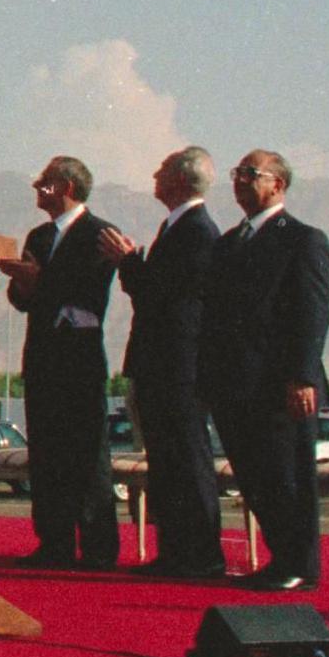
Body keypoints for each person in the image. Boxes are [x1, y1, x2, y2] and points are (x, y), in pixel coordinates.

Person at [202, 151, 329, 591]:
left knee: (287, 476)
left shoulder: (302, 239)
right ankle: (280, 557)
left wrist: (303, 376)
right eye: (236, 174)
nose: (239, 181)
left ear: (277, 184)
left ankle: (300, 564)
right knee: (255, 477)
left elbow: (311, 314)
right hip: (234, 382)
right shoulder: (227, 243)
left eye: (249, 174)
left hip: (280, 385)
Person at [102, 147, 226, 579]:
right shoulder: (175, 228)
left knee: (188, 461)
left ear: (179, 179)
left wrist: (129, 263)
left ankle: (203, 556)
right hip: (161, 366)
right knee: (167, 462)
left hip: (181, 367)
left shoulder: (197, 232)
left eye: (162, 170)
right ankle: (176, 552)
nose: (154, 174)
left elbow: (166, 299)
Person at [0, 156, 122, 569]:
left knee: (86, 453)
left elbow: (87, 293)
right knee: (46, 451)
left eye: (45, 182)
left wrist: (39, 281)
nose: (37, 188)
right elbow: (23, 301)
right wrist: (20, 282)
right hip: (42, 355)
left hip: (79, 359)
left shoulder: (100, 234)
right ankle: (54, 540)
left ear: (66, 186)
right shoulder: (38, 235)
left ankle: (98, 545)